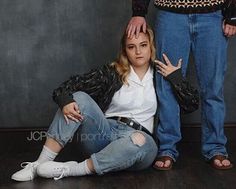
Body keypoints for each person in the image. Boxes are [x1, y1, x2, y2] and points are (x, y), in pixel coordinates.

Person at [11, 25, 198, 181]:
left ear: (151, 46)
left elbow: (192, 104)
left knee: (140, 142)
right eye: (131, 47)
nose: (138, 51)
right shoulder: (113, 72)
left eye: (143, 45)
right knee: (80, 97)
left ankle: (71, 170)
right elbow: (65, 88)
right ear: (125, 50)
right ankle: (38, 165)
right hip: (104, 133)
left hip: (139, 138)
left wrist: (176, 78)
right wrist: (66, 101)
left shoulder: (160, 75)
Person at [127, 0, 236, 170]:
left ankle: (215, 147)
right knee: (167, 84)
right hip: (171, 15)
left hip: (213, 15)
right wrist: (139, 11)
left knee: (213, 87)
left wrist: (233, 13)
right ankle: (167, 148)